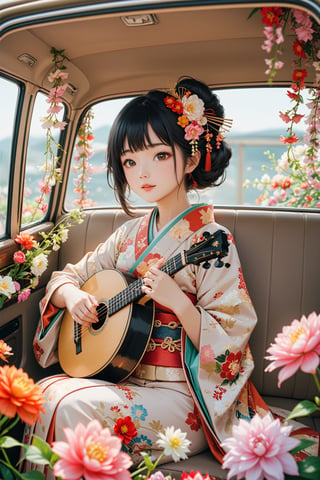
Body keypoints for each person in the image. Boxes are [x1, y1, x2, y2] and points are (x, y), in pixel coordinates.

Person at [26, 76, 269, 474]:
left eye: (158, 155)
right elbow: (64, 278)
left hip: (184, 396)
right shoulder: (127, 236)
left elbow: (233, 340)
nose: (142, 173)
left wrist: (178, 303)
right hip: (123, 377)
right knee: (42, 394)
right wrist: (73, 298)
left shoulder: (212, 240)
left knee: (67, 405)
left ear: (189, 159)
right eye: (129, 161)